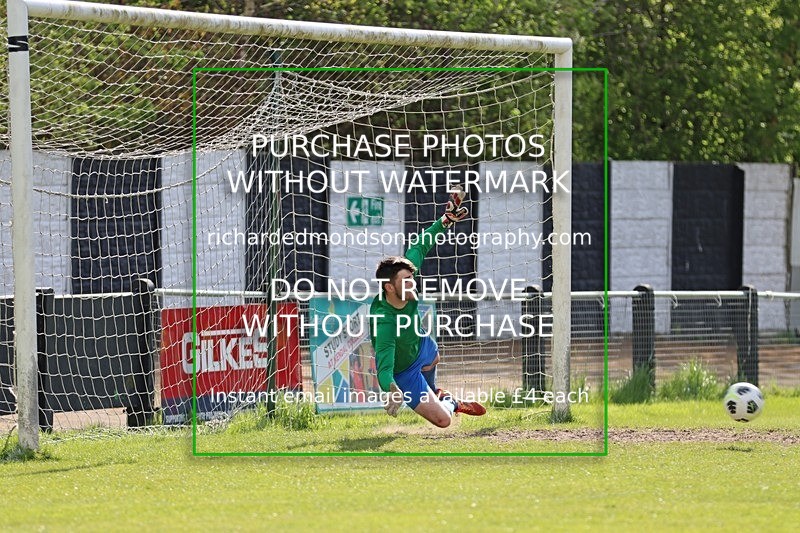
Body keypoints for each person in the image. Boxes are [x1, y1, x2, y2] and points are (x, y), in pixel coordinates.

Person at [370, 185, 486, 427]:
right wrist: (391, 388)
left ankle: (438, 394)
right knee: (444, 421)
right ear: (389, 288)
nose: (413, 284)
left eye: (412, 278)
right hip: (405, 373)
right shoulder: (385, 321)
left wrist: (445, 220)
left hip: (423, 347)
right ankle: (451, 402)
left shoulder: (405, 273)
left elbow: (422, 243)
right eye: (406, 281)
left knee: (432, 359)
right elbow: (384, 366)